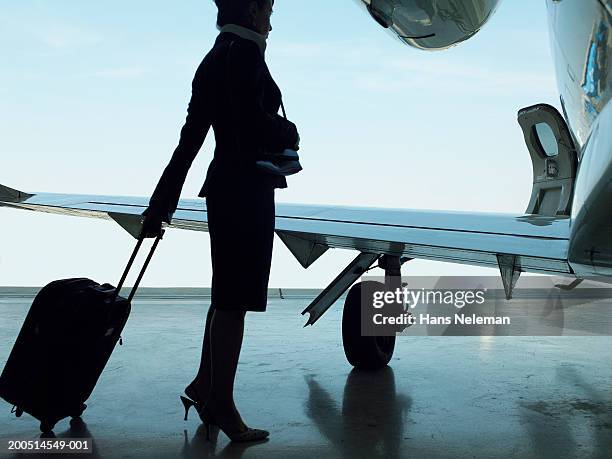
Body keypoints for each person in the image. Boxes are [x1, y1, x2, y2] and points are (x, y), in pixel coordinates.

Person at [140, 0, 299, 443]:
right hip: (247, 190)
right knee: (235, 301)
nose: (272, 14)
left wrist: (161, 203)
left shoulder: (214, 57)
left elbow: (189, 140)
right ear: (250, 10)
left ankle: (205, 386)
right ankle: (223, 405)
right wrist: (290, 133)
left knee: (225, 296)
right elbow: (254, 126)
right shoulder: (245, 54)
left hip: (225, 189)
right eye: (267, 6)